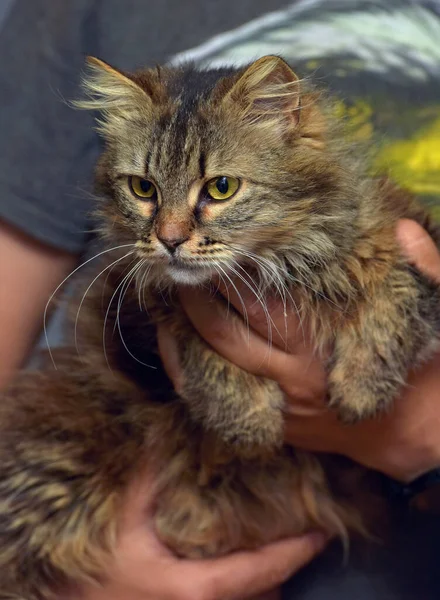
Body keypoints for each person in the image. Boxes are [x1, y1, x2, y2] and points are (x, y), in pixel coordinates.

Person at [1, 0, 440, 598]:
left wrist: (416, 432)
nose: (172, 232)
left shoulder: (371, 241)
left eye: (221, 187)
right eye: (145, 190)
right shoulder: (71, 12)